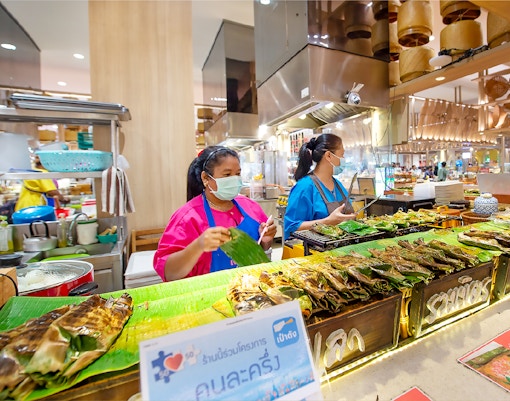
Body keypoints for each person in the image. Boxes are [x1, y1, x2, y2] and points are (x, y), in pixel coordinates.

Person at [153, 146, 277, 281]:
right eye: (227, 175)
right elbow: (169, 273)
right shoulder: (187, 218)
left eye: (237, 174)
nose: (235, 180)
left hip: (251, 289)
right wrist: (198, 246)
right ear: (206, 178)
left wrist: (266, 240)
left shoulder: (250, 206)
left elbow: (261, 249)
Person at [283, 133, 356, 240]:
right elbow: (291, 227)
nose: (343, 159)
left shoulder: (338, 185)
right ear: (329, 156)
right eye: (342, 154)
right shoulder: (304, 187)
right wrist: (327, 221)